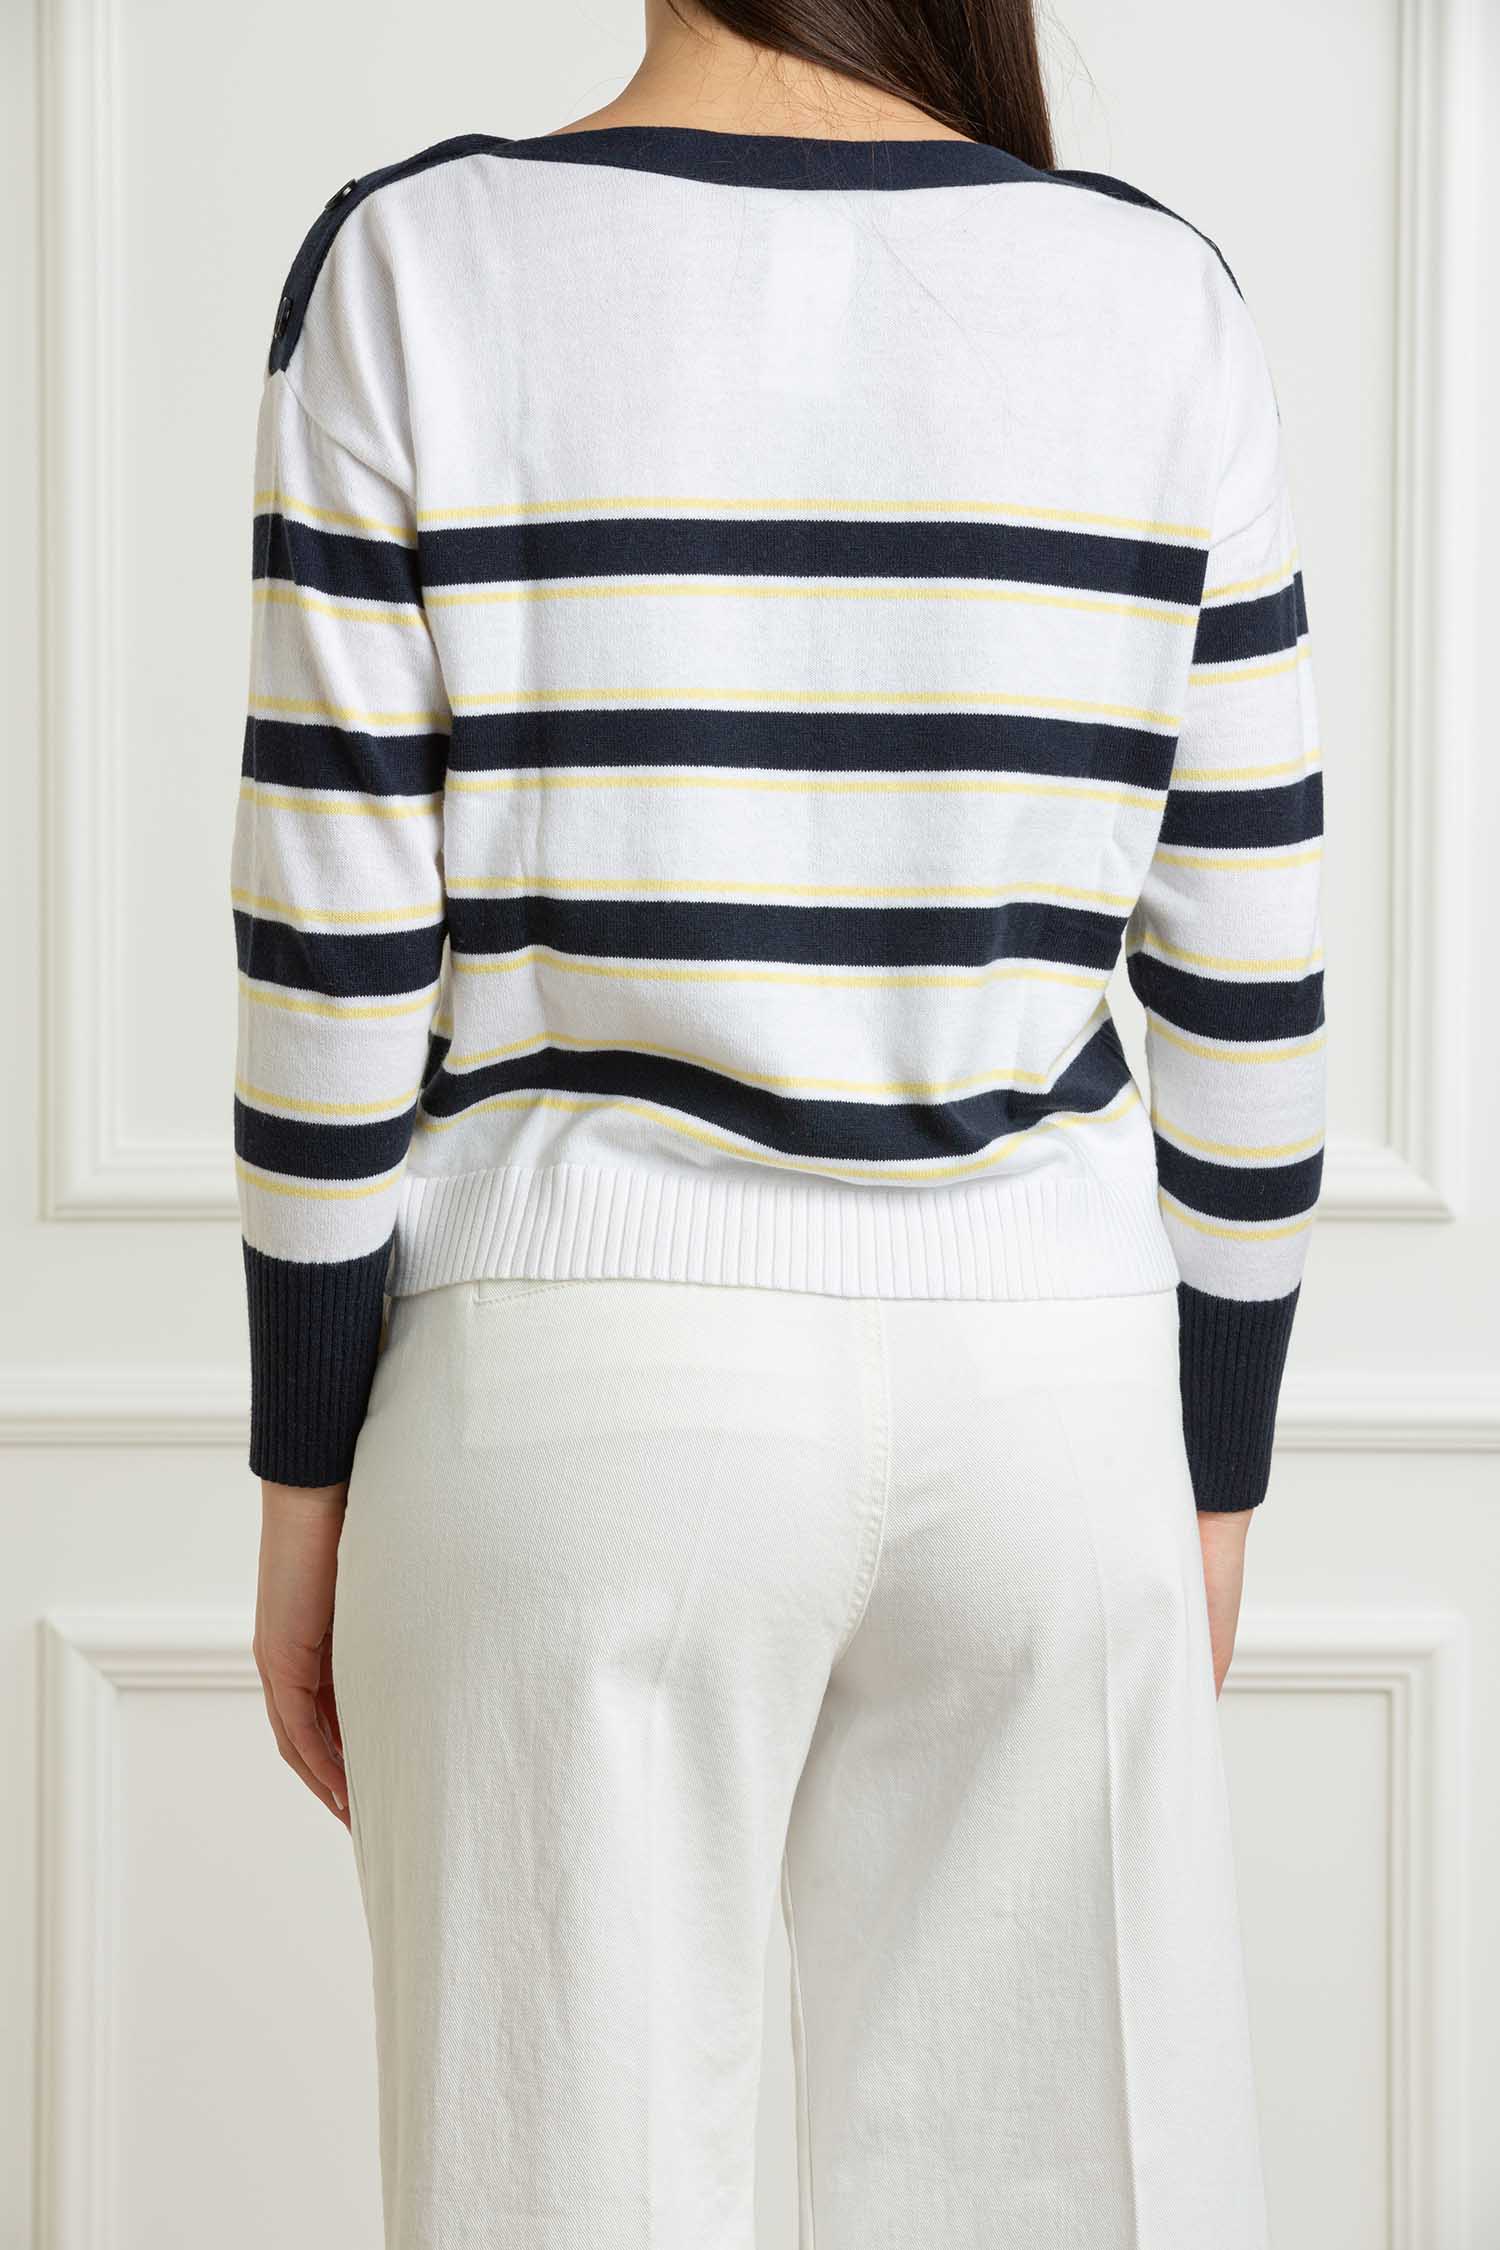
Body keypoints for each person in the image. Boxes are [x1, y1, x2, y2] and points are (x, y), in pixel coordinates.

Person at [233, 1, 1326, 2243]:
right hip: (1052, 1386)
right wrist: (1211, 1468)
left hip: (573, 1385)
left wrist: (305, 1475)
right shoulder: (1161, 296)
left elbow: (330, 961)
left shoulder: (420, 263)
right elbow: (1251, 967)